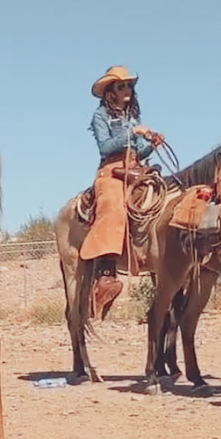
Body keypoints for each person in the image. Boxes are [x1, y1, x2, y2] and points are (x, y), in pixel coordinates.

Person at [79, 65, 163, 316]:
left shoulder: (132, 116)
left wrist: (152, 147)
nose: (127, 89)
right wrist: (132, 132)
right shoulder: (100, 116)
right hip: (111, 170)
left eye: (129, 85)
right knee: (113, 206)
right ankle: (105, 272)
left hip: (135, 167)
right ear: (110, 92)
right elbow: (105, 147)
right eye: (121, 86)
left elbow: (137, 150)